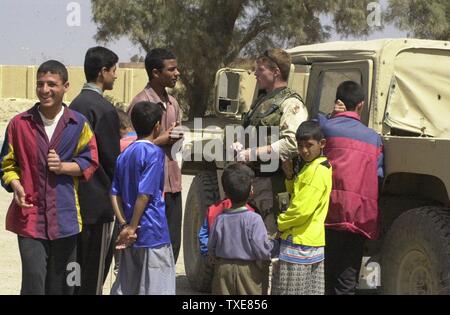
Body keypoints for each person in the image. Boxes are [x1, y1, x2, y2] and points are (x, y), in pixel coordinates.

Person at [0, 60, 99, 295]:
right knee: (34, 285)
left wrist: (64, 166)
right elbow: (6, 164)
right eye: (40, 84)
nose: (44, 90)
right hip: (30, 220)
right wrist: (15, 184)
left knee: (63, 287)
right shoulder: (19, 124)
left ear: (66, 86)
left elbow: (91, 161)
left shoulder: (78, 124)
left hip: (65, 219)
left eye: (51, 84)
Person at [318, 81, 384, 295]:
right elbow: (378, 176)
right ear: (361, 105)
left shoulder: (324, 127)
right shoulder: (374, 139)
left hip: (328, 214)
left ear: (338, 102)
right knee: (347, 280)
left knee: (324, 278)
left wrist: (330, 115)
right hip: (359, 219)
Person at [235, 48, 308, 235]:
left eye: (260, 69)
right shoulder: (263, 100)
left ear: (275, 72)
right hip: (254, 179)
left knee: (270, 238)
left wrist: (253, 153)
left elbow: (292, 143)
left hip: (274, 183)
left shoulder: (291, 104)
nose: (255, 73)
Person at [69, 46, 121, 295]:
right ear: (103, 72)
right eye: (114, 70)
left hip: (73, 200)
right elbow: (112, 159)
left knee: (74, 268)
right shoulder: (104, 109)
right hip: (98, 203)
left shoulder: (75, 104)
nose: (116, 76)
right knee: (94, 272)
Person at [110, 101, 175, 295]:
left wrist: (124, 225)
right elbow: (144, 194)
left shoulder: (125, 154)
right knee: (157, 287)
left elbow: (114, 193)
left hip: (130, 237)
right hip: (152, 233)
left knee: (128, 285)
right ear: (157, 126)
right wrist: (132, 226)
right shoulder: (154, 153)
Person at [127, 48, 183, 263]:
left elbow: (175, 142)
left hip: (173, 186)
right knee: (147, 249)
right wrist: (161, 141)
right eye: (172, 69)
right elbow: (131, 148)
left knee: (172, 246)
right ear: (155, 73)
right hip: (149, 190)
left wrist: (178, 136)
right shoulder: (140, 104)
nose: (177, 73)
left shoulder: (173, 104)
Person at [271, 121, 332, 295]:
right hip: (311, 244)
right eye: (300, 146)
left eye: (309, 145)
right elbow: (299, 198)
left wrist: (280, 224)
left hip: (299, 246)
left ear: (322, 144)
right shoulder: (316, 167)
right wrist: (290, 176)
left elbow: (301, 210)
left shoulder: (316, 171)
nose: (304, 150)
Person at [208, 163, 274, 295]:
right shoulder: (254, 219)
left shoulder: (220, 219)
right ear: (251, 191)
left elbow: (211, 248)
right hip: (248, 271)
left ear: (226, 192)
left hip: (223, 269)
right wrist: (274, 246)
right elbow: (262, 250)